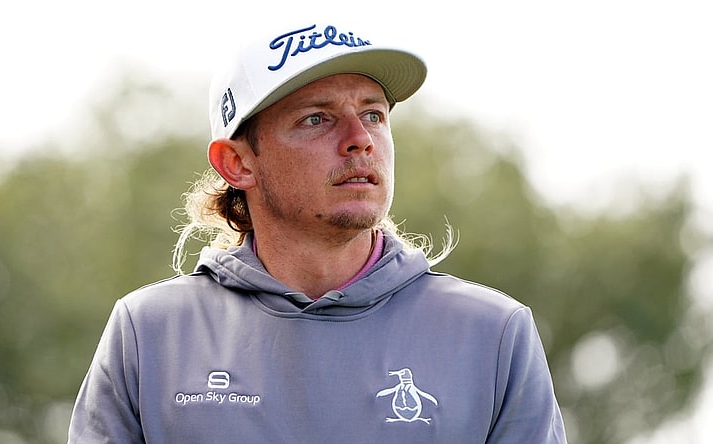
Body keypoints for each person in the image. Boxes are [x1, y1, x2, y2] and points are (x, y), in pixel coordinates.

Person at [68, 21, 567, 443]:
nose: (360, 140)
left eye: (373, 113)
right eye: (316, 119)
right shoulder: (149, 332)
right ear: (237, 163)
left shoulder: (495, 334)